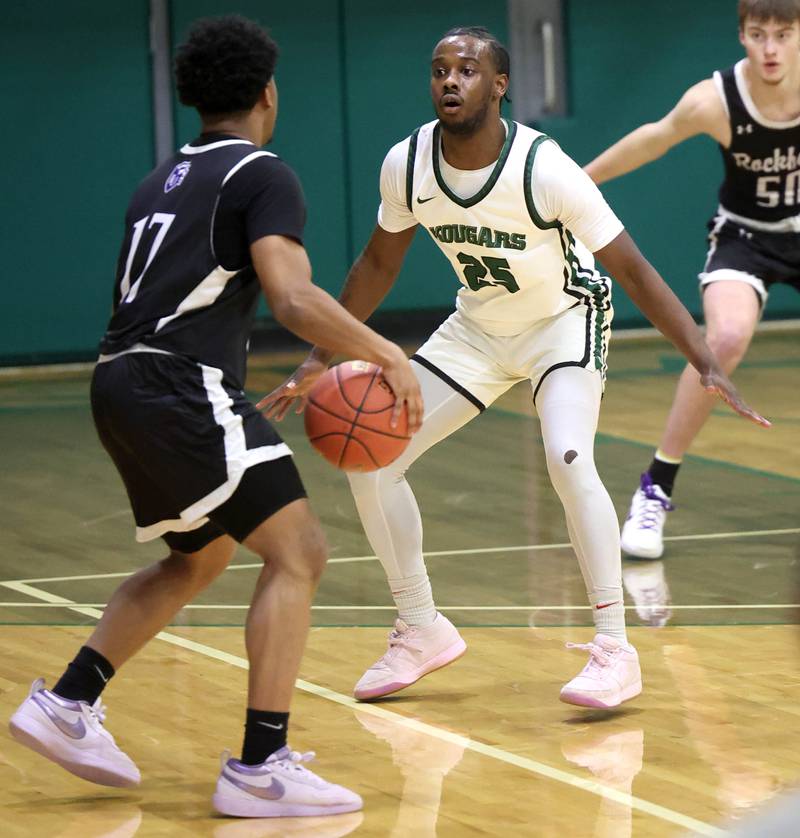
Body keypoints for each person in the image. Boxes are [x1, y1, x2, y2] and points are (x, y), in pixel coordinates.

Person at [262, 25, 767, 709]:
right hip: (478, 328)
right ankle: (419, 627)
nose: (449, 80)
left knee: (566, 456)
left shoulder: (544, 169)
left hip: (564, 322)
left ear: (498, 85)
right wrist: (319, 358)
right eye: (439, 69)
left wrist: (704, 359)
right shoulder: (407, 164)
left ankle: (615, 650)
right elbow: (377, 265)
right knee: (373, 463)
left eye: (466, 70)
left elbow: (633, 269)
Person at [8, 15, 423, 819]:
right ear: (268, 93)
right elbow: (294, 298)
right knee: (299, 550)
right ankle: (261, 764)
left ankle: (67, 702)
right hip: (176, 383)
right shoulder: (264, 174)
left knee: (196, 560)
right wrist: (389, 354)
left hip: (118, 381)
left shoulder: (158, 181)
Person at [584, 0, 798, 559]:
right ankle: (656, 486)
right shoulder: (716, 101)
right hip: (745, 237)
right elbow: (654, 138)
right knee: (724, 338)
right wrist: (579, 182)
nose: (771, 48)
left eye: (783, 34)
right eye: (759, 34)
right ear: (742, 37)